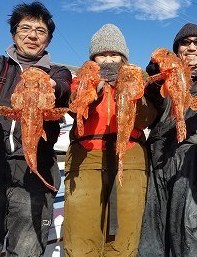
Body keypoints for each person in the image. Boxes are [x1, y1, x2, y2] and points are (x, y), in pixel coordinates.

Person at [0, 1, 72, 256]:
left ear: (49, 40)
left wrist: (52, 85)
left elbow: (65, 85)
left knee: (28, 248)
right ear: (13, 33)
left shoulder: (57, 71)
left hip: (36, 169)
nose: (32, 35)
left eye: (40, 31)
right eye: (25, 28)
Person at [138, 23, 197, 257]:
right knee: (151, 233)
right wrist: (153, 83)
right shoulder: (163, 75)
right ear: (177, 49)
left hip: (196, 158)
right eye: (185, 42)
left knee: (194, 236)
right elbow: (147, 114)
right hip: (157, 159)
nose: (192, 46)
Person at [63, 23, 157, 257]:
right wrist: (91, 93)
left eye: (114, 54)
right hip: (85, 157)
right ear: (93, 58)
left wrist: (136, 95)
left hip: (131, 157)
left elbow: (148, 119)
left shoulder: (139, 79)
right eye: (102, 55)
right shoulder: (81, 79)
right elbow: (74, 109)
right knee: (81, 234)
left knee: (125, 236)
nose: (108, 60)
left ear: (124, 57)